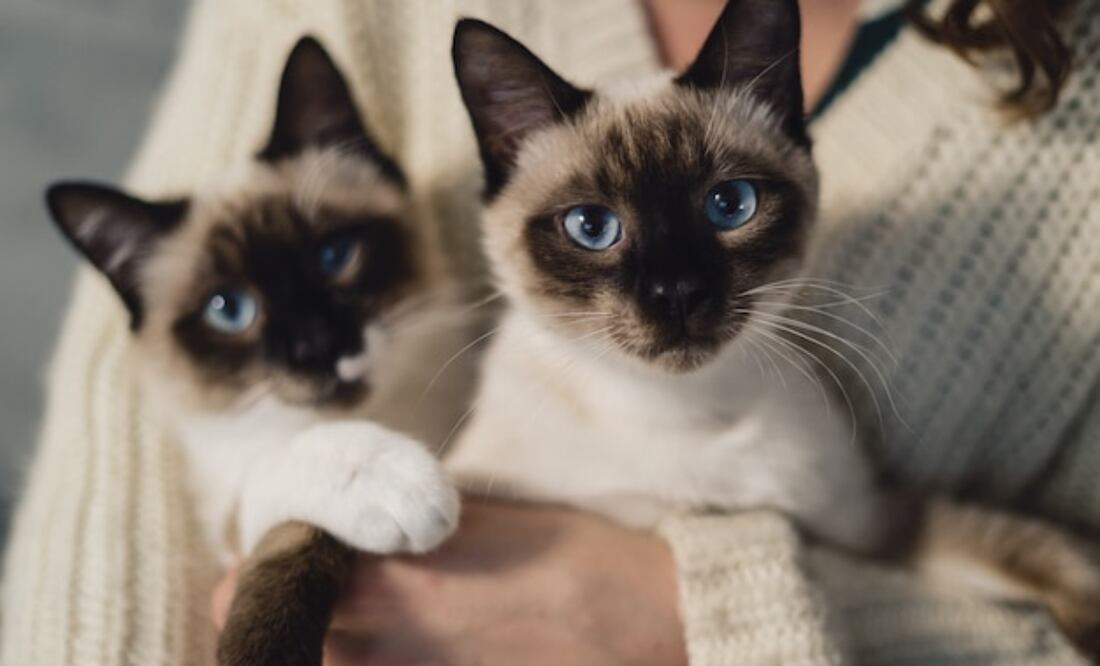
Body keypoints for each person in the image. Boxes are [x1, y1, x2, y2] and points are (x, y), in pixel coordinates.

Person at [4, 0, 1098, 664]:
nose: (674, 290)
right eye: (591, 229)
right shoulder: (504, 412)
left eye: (728, 207)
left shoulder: (806, 411)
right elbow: (137, 480)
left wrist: (676, 619)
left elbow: (898, 530)